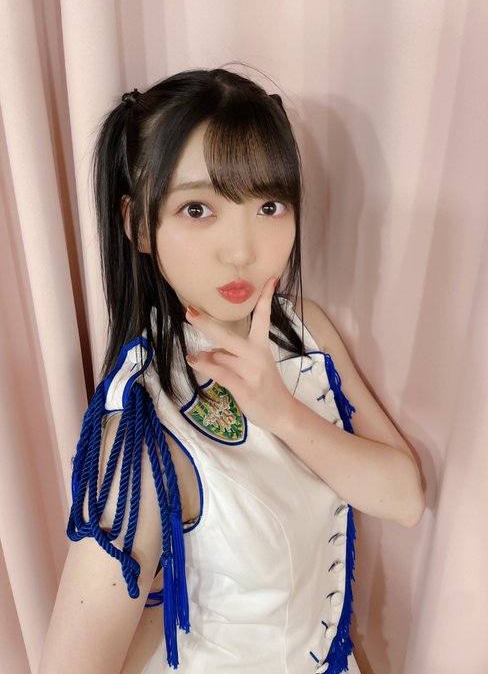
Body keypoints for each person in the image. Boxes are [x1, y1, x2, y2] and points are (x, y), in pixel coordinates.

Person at [39, 68, 425, 674]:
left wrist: (282, 413)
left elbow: (404, 499)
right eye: (198, 208)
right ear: (138, 225)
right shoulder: (142, 424)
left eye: (268, 205)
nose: (243, 250)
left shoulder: (304, 332)